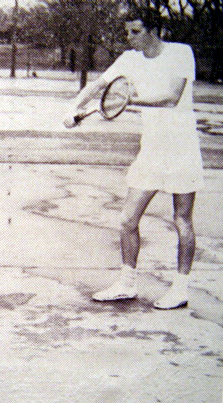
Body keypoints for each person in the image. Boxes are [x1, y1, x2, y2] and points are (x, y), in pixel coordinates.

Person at [63, 10, 204, 310]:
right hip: (151, 150)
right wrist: (73, 107)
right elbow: (97, 86)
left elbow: (171, 97)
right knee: (128, 219)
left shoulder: (181, 53)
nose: (129, 38)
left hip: (182, 148)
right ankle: (127, 283)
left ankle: (180, 289)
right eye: (127, 32)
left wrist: (127, 100)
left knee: (182, 219)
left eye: (136, 32)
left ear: (154, 30)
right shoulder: (129, 59)